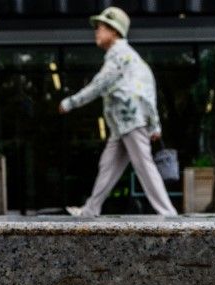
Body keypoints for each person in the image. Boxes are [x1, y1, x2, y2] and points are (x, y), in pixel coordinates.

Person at [58, 7, 177, 218]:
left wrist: (70, 102)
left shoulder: (119, 56)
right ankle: (90, 210)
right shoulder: (130, 58)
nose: (96, 32)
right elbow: (149, 89)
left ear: (114, 31)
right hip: (122, 124)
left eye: (101, 27)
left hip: (130, 120)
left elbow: (98, 85)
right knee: (108, 166)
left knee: (144, 166)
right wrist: (155, 123)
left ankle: (168, 213)